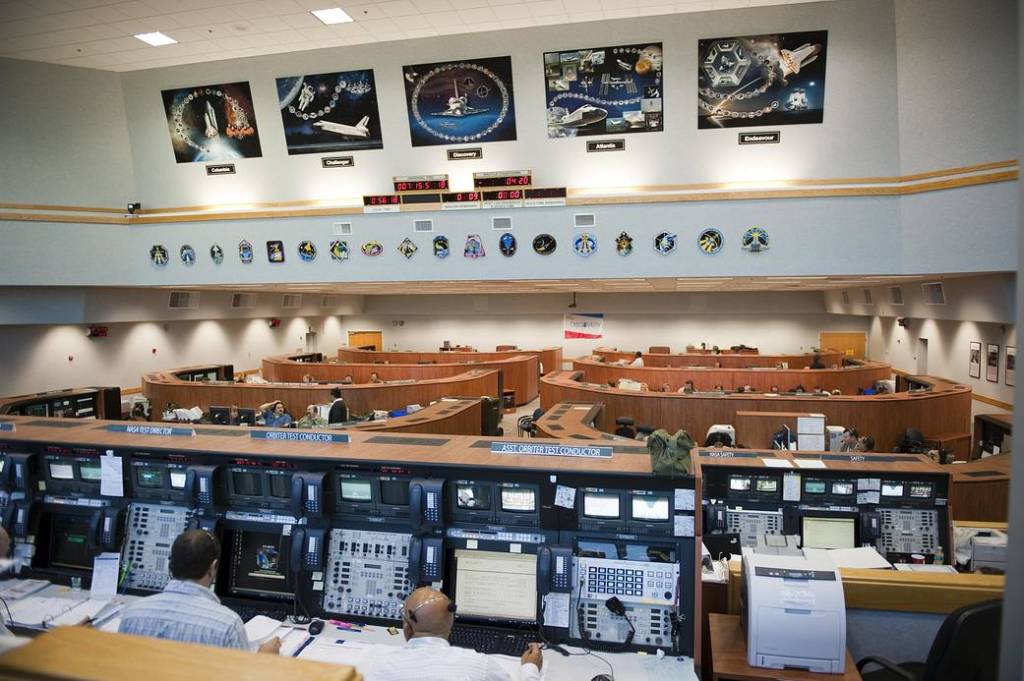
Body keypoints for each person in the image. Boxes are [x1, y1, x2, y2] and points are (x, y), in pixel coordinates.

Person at [119, 530, 281, 654]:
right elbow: (241, 675)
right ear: (213, 567)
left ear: (171, 564)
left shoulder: (132, 613)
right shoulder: (227, 624)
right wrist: (263, 657)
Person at [363, 586, 541, 681]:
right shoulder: (480, 665)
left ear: (407, 629)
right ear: (451, 623)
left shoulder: (380, 669)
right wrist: (530, 667)